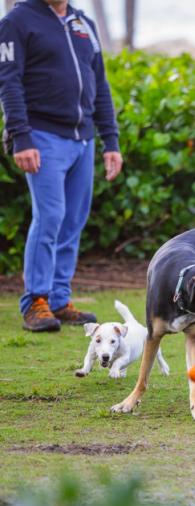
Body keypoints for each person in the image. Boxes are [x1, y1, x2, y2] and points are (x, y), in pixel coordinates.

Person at [0, 0, 123, 332]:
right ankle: (35, 301)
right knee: (50, 217)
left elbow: (100, 86)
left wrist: (110, 141)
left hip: (82, 140)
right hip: (41, 136)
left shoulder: (82, 23)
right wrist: (20, 136)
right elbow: (9, 82)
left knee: (72, 220)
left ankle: (58, 298)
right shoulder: (17, 21)